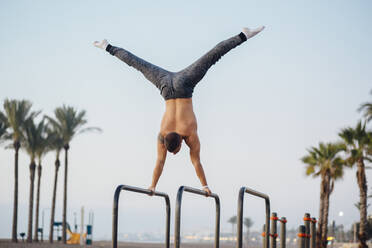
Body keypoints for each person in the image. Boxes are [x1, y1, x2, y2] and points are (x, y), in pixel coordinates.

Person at [94, 27, 264, 195]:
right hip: (165, 85)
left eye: (174, 152)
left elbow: (193, 162)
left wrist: (205, 186)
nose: (174, 155)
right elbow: (160, 162)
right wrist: (151, 186)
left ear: (181, 143)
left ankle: (244, 36)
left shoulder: (189, 133)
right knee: (137, 63)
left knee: (212, 57)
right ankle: (107, 46)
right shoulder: (162, 134)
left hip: (184, 85)